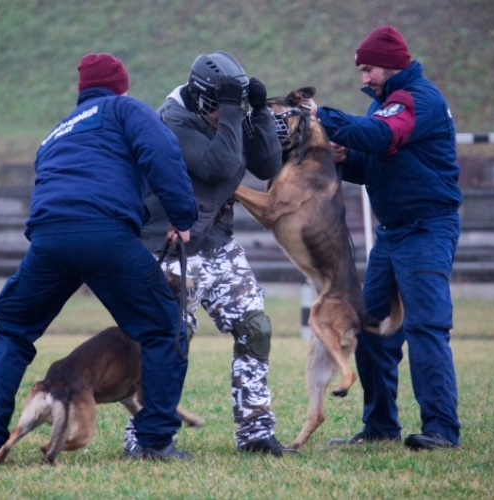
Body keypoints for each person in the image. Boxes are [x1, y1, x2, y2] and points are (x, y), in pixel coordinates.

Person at [0, 53, 198, 462]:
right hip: (106, 233)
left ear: (81, 91)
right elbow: (161, 150)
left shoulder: (57, 132)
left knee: (12, 330)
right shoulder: (126, 109)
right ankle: (155, 441)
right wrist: (181, 216)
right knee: (164, 327)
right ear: (121, 86)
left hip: (49, 239)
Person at [125, 51, 295, 457]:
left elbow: (269, 162)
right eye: (219, 105)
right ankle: (147, 439)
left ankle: (255, 432)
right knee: (170, 342)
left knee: (256, 328)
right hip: (167, 246)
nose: (224, 113)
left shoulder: (231, 115)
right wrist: (236, 110)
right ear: (201, 98)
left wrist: (256, 110)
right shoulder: (171, 120)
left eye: (228, 105)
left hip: (216, 242)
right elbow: (218, 166)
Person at [307, 26, 463, 450]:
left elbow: (380, 135)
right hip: (392, 234)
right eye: (361, 70)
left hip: (426, 228)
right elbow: (376, 159)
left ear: (393, 63)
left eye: (368, 68)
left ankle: (442, 430)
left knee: (426, 327)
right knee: (371, 327)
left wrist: (322, 118)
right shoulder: (391, 104)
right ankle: (379, 428)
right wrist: (347, 158)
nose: (364, 78)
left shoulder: (416, 99)